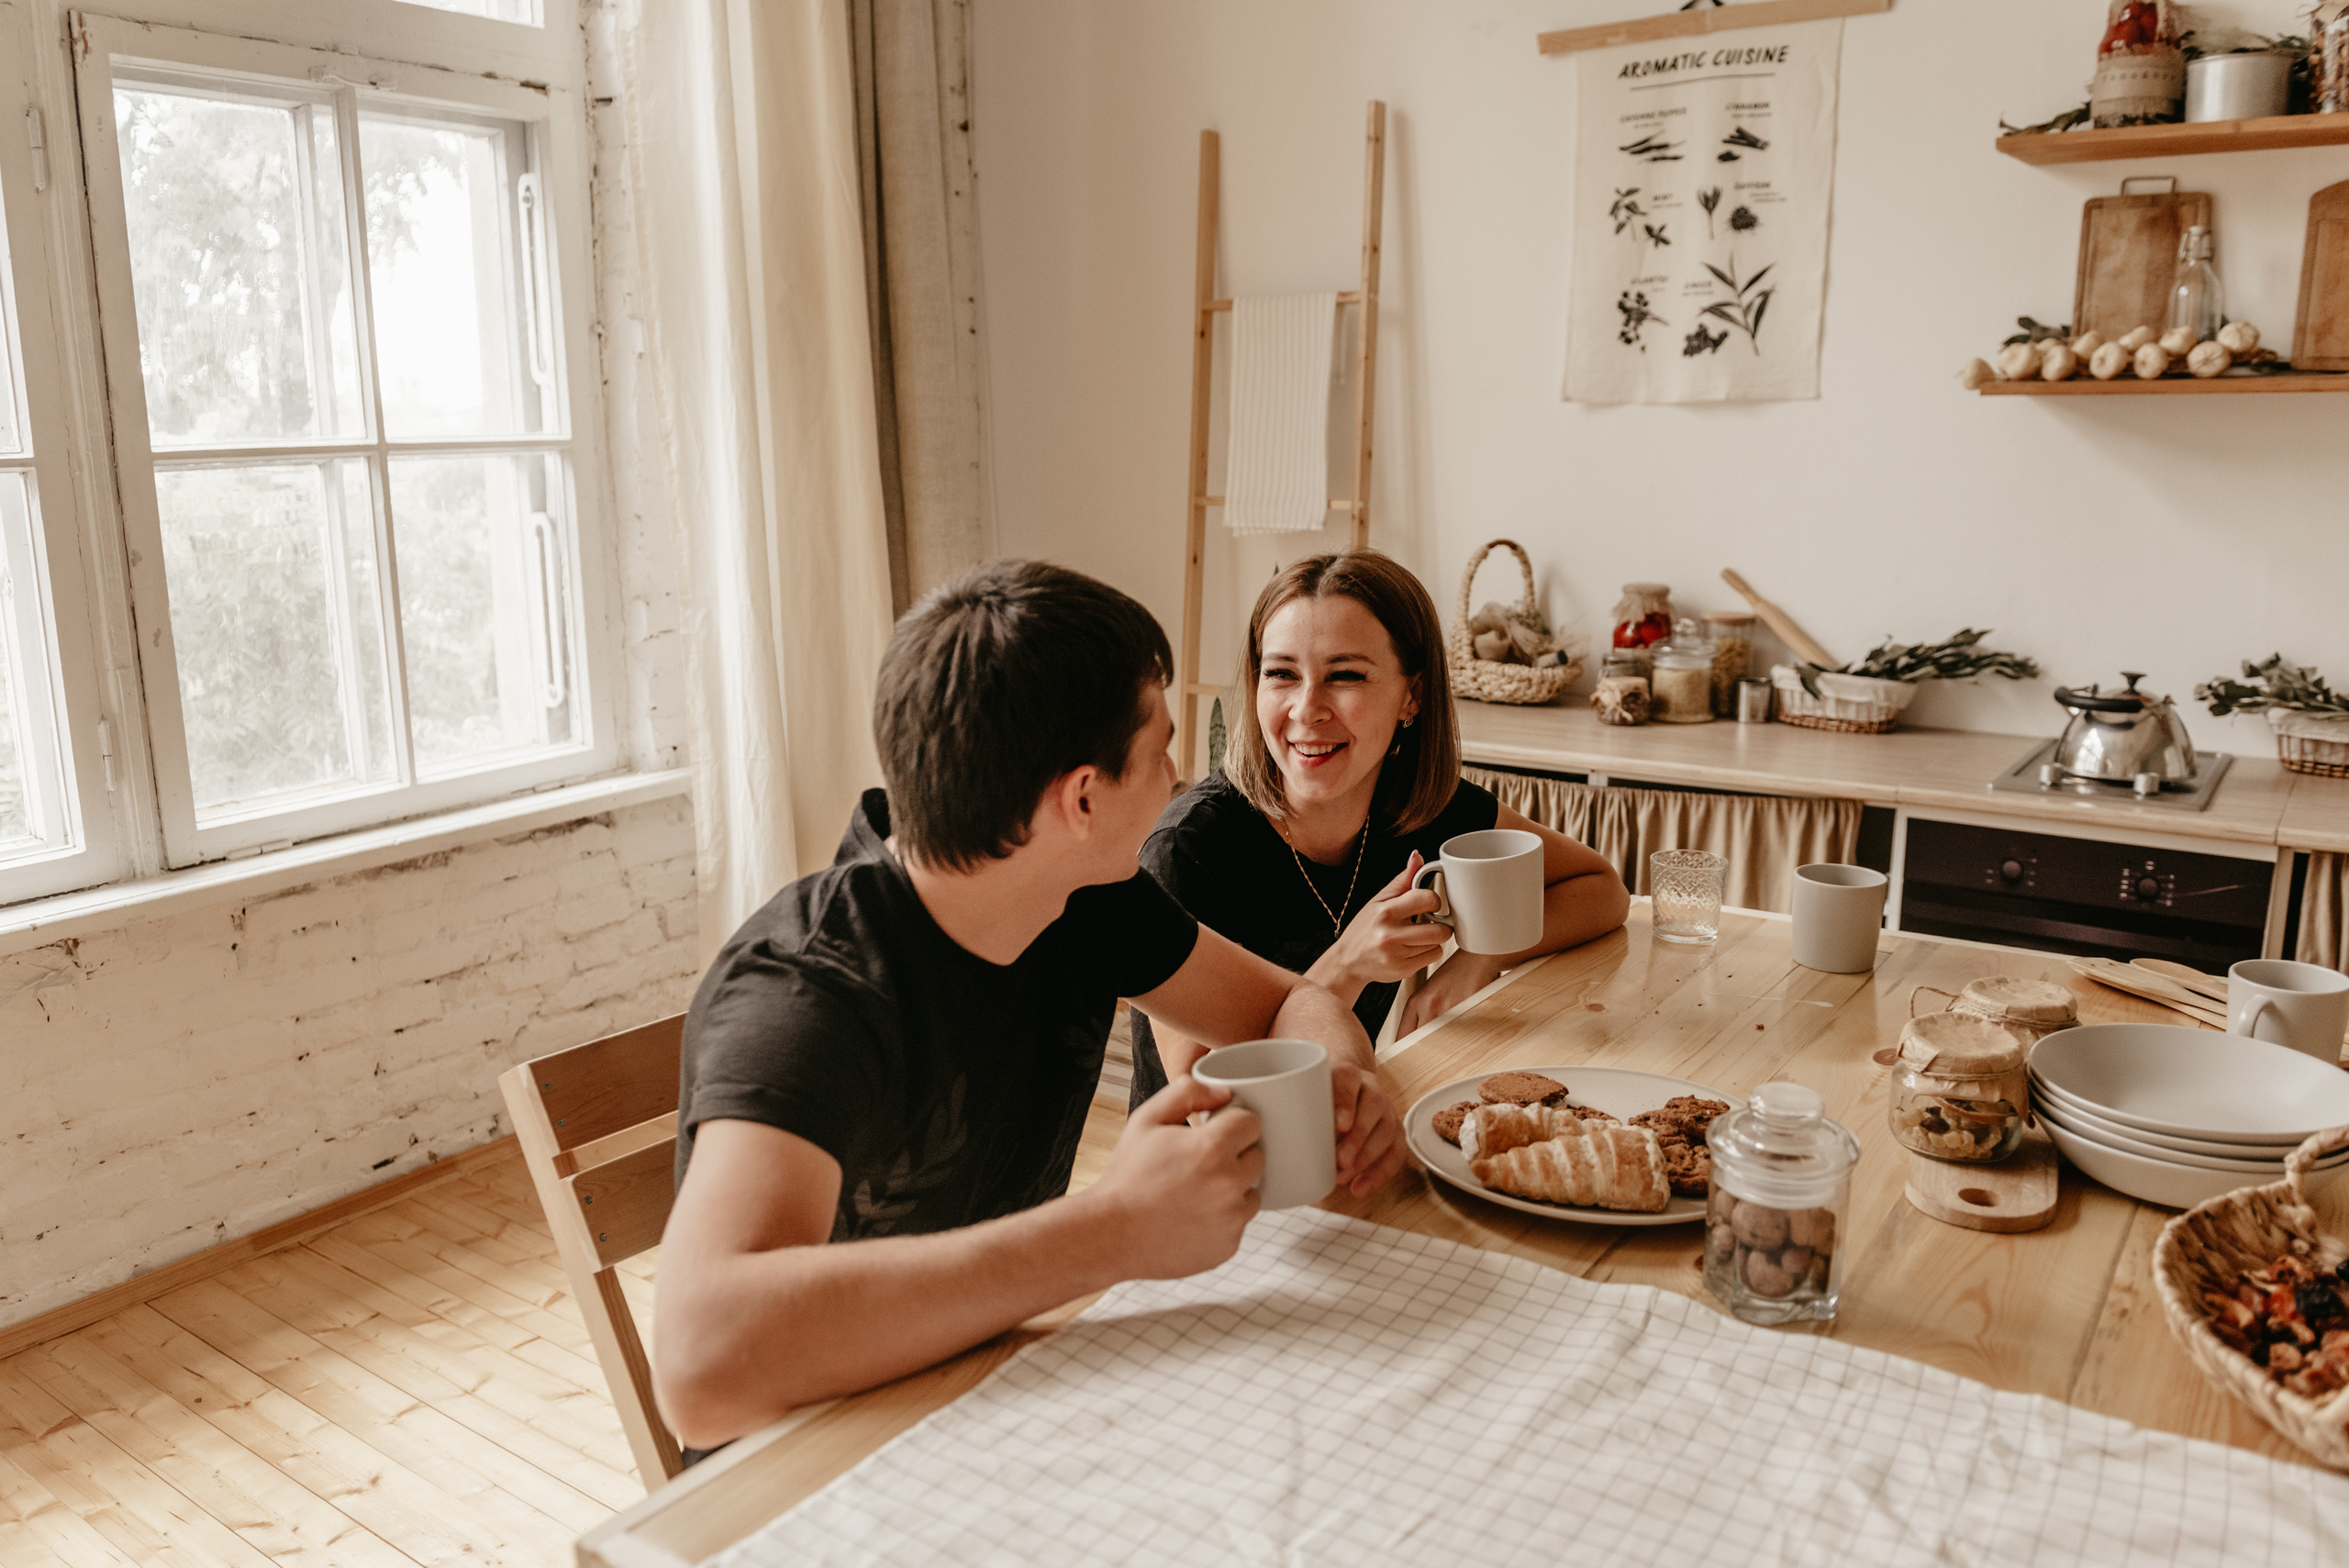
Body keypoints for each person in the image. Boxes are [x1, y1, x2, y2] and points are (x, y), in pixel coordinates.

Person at [653, 561, 1406, 1455]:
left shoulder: (1082, 893)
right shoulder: (809, 993)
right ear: (1082, 798)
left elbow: (1292, 1001)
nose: (1176, 778)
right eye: (1161, 750)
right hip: (824, 1466)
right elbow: (701, 1367)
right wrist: (1115, 1229)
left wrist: (1348, 1076)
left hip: (1000, 1389)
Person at [1130, 551, 1630, 1106]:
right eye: (1281, 674)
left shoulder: (1421, 808)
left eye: (1344, 676)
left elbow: (1599, 888)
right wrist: (1348, 966)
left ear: (1411, 695)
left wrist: (1481, 954)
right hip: (1207, 1173)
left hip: (1347, 1129)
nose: (1306, 709)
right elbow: (1207, 1101)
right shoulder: (1188, 849)